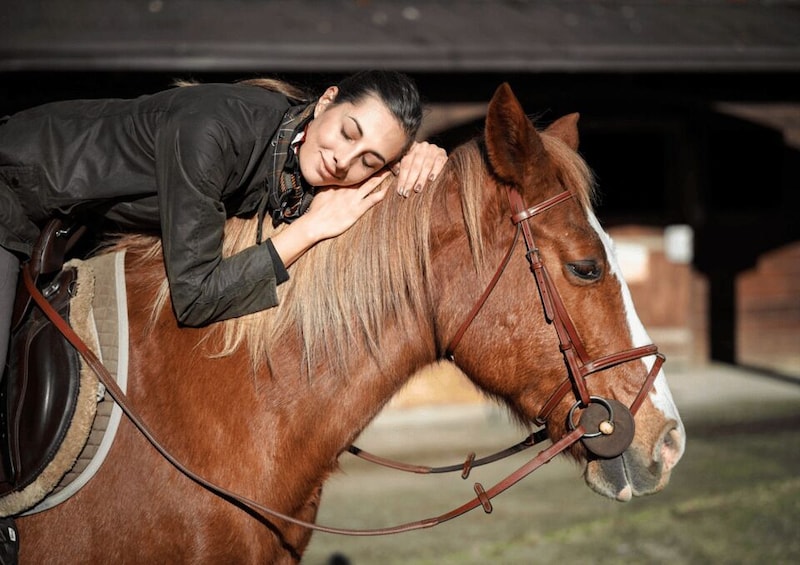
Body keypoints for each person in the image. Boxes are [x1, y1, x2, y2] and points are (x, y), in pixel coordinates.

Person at [0, 70, 447, 557]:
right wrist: (310, 230)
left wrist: (422, 163)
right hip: (13, 197)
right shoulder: (213, 130)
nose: (344, 161)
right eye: (348, 132)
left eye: (369, 161)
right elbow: (194, 296)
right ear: (326, 102)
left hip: (69, 228)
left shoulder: (301, 153)